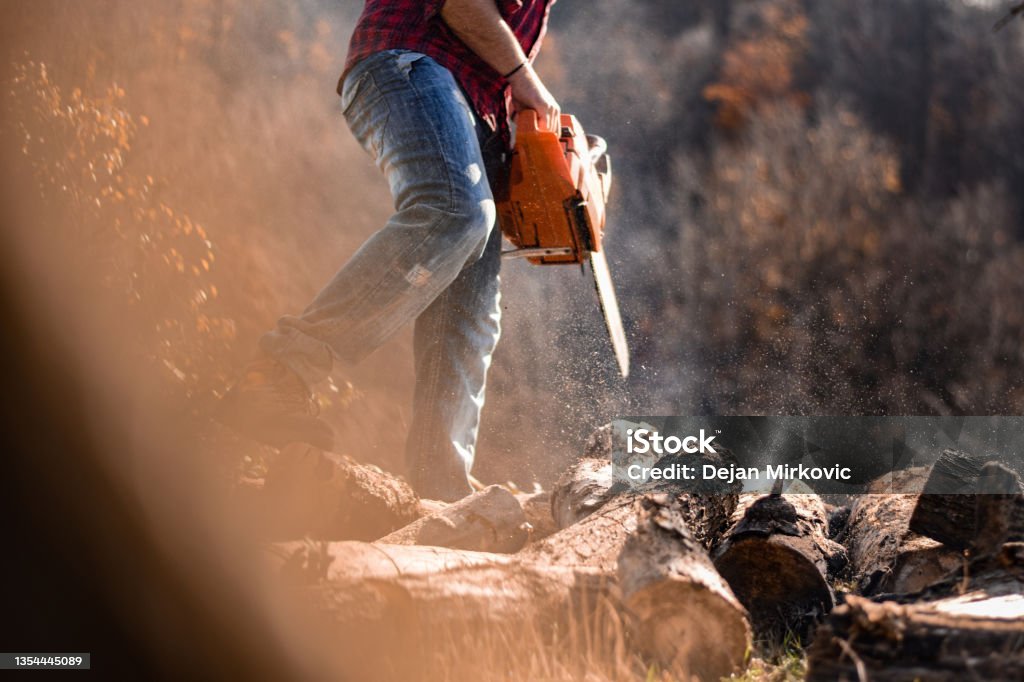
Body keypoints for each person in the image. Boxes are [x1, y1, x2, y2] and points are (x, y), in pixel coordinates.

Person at [218, 0, 560, 501]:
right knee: (455, 212)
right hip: (411, 64)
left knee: (471, 303)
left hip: (474, 108)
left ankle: (440, 490)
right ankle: (281, 371)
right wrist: (527, 80)